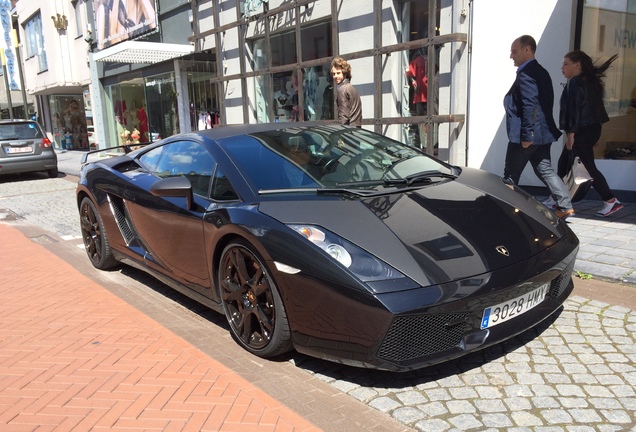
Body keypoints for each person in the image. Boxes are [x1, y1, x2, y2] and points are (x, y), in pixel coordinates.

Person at [503, 35, 574, 219]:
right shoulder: (541, 71)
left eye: (514, 51)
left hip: (527, 135)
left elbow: (530, 105)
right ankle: (565, 206)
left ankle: (505, 212)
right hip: (543, 134)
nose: (511, 56)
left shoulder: (527, 74)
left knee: (510, 176)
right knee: (545, 170)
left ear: (527, 50)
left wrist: (527, 135)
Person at [557, 50, 622, 217]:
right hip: (591, 129)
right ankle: (558, 198)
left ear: (577, 65)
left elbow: (574, 111)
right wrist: (593, 135)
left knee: (588, 167)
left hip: (581, 130)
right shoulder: (590, 82)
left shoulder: (576, 83)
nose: (562, 67)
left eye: (566, 64)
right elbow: (595, 109)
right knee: (564, 162)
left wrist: (571, 134)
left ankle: (610, 200)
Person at [330, 57, 362, 127]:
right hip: (357, 128)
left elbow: (344, 117)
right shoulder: (351, 87)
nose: (335, 76)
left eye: (338, 73)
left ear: (344, 73)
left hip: (349, 130)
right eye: (334, 74)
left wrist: (341, 133)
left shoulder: (342, 89)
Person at [406, 49, 428, 148]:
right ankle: (425, 143)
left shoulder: (419, 60)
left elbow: (410, 74)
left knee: (423, 120)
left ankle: (425, 143)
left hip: (423, 95)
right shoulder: (427, 59)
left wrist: (415, 86)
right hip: (425, 95)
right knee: (426, 120)